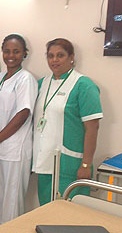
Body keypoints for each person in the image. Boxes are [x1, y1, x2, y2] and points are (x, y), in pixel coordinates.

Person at [32, 38, 103, 205]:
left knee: (69, 215)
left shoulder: (84, 85)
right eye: (50, 56)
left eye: (60, 55)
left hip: (70, 164)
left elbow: (93, 128)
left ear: (71, 57)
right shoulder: (43, 83)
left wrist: (86, 164)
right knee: (46, 211)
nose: (54, 60)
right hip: (45, 161)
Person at [0, 34, 38, 226]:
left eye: (16, 51)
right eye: (7, 51)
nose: (10, 55)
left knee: (12, 202)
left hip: (14, 149)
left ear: (24, 54)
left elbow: (22, 114)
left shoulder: (26, 79)